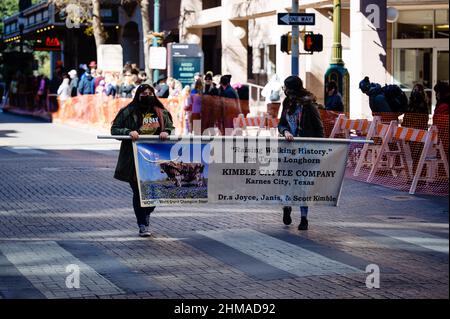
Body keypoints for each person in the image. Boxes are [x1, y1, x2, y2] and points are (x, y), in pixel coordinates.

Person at [111, 84, 174, 237]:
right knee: (139, 193)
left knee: (152, 193)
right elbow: (114, 129)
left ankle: (147, 213)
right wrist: (127, 131)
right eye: (144, 93)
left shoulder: (161, 112)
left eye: (150, 93)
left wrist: (166, 131)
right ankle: (142, 224)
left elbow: (170, 126)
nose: (147, 95)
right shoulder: (128, 111)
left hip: (154, 160)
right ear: (138, 95)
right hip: (134, 160)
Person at [278, 75, 324, 231]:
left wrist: (319, 149)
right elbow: (281, 123)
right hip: (289, 151)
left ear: (291, 89)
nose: (283, 90)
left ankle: (304, 218)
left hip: (305, 151)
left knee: (303, 184)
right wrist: (285, 132)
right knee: (287, 181)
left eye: (285, 87)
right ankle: (287, 206)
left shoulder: (309, 105)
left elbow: (319, 128)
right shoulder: (287, 103)